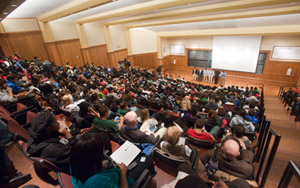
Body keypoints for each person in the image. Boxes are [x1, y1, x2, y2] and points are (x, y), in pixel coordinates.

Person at [70, 132, 155, 188]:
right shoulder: (97, 182)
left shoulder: (75, 164)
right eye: (102, 149)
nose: (104, 150)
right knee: (146, 158)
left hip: (114, 173)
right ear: (95, 156)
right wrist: (123, 172)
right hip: (124, 179)